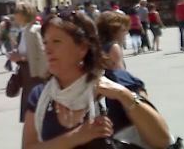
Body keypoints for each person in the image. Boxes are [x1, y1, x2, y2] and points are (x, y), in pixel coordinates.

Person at [22, 12, 172, 148]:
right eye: (46, 42)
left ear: (82, 48)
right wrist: (76, 137)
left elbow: (162, 140)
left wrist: (124, 96)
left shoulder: (119, 82)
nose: (47, 49)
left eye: (56, 41)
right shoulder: (41, 95)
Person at [9, 3, 48, 123]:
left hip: (35, 74)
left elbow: (41, 53)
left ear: (25, 15)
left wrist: (22, 58)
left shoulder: (33, 30)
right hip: (26, 74)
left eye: (17, 13)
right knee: (31, 110)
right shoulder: (24, 31)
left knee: (37, 109)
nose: (15, 15)